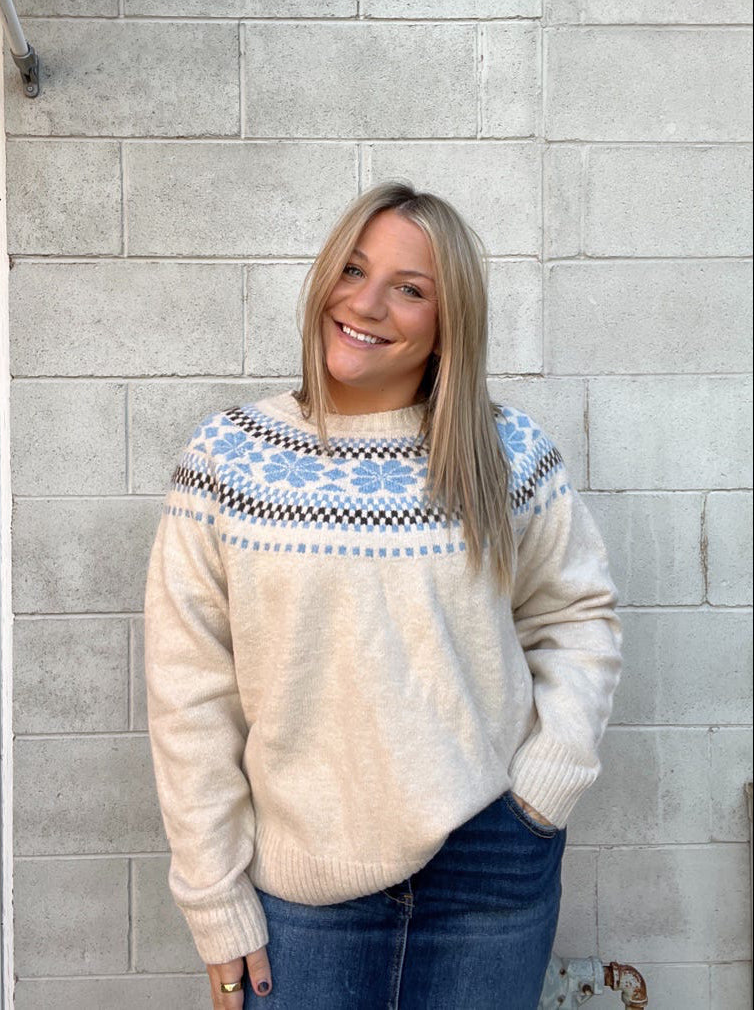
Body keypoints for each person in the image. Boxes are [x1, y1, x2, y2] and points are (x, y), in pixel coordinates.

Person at [143, 181, 622, 1010]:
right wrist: (214, 894)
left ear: (448, 322)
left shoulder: (505, 451)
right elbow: (190, 692)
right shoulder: (227, 458)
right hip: (303, 887)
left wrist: (544, 787)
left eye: (410, 288)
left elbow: (574, 614)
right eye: (353, 270)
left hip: (490, 866)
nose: (365, 303)